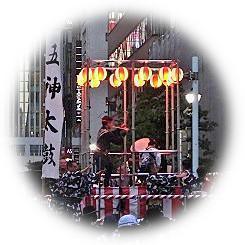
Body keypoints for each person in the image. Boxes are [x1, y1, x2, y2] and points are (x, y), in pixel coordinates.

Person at [95, 116, 128, 186]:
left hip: (100, 153)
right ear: (108, 123)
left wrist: (118, 130)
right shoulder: (106, 133)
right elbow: (118, 141)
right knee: (107, 168)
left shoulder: (102, 130)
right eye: (111, 123)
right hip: (101, 154)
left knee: (107, 167)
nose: (113, 125)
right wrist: (123, 133)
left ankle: (103, 183)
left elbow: (112, 134)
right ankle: (104, 184)